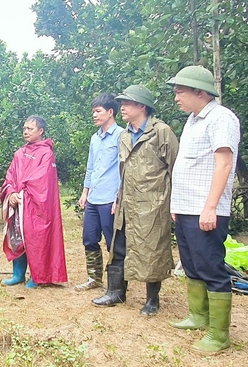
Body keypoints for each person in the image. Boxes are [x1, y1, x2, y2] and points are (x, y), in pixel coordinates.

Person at [167, 66, 240, 354]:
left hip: (205, 208)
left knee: (211, 266)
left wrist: (210, 208)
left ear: (200, 92)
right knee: (192, 263)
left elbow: (224, 164)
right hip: (187, 207)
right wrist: (177, 205)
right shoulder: (193, 121)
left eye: (180, 92)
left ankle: (220, 335)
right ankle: (199, 316)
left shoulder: (222, 119)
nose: (176, 98)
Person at [92, 85, 178, 317]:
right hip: (126, 202)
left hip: (153, 204)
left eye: (127, 104)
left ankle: (152, 299)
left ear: (142, 106)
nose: (122, 108)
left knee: (152, 249)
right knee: (118, 246)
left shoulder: (161, 132)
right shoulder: (125, 135)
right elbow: (123, 170)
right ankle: (116, 292)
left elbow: (175, 169)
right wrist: (118, 198)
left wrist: (174, 203)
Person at [0, 115, 67, 288]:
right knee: (17, 237)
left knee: (35, 237)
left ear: (41, 131)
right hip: (18, 203)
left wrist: (21, 194)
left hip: (35, 206)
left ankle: (38, 276)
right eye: (24, 128)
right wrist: (11, 192)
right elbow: (10, 176)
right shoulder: (19, 153)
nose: (26, 131)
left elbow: (42, 180)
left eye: (30, 128)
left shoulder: (46, 153)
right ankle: (18, 274)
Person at [76, 94, 124, 291]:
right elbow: (91, 167)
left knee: (113, 242)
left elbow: (125, 169)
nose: (94, 115)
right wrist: (85, 191)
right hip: (94, 197)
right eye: (93, 111)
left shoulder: (122, 135)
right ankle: (94, 277)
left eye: (98, 111)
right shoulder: (95, 138)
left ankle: (117, 284)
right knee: (89, 238)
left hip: (110, 198)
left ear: (110, 112)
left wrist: (118, 197)